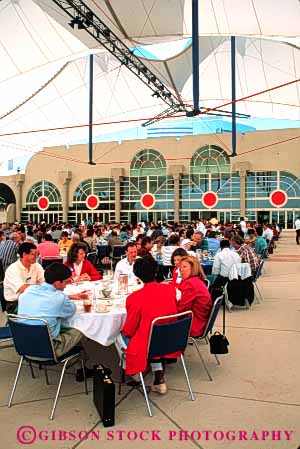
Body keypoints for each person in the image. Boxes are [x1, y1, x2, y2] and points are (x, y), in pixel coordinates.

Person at [115, 256, 178, 394]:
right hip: (171, 339)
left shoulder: (134, 298)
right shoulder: (170, 290)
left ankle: (133, 372)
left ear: (137, 275)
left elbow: (129, 330)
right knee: (153, 333)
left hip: (149, 343)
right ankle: (159, 377)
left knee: (117, 333)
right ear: (156, 272)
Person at [177, 256, 212, 337]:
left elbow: (181, 311)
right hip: (201, 321)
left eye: (185, 267)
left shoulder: (190, 284)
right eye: (180, 267)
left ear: (193, 268)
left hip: (194, 325)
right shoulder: (197, 280)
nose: (181, 270)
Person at [4, 242, 44, 312]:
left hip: (34, 299)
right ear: (24, 254)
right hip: (16, 303)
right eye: (33, 254)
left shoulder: (36, 265)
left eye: (37, 254)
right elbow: (23, 289)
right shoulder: (12, 269)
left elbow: (44, 281)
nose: (36, 257)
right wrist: (39, 286)